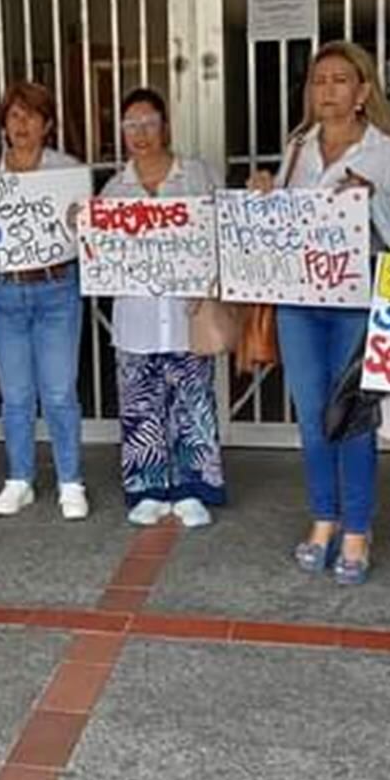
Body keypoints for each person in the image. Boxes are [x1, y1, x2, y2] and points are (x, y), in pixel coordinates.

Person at [252, 41, 390, 582]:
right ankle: (323, 516)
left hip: (357, 298)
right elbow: (287, 225)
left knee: (352, 417)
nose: (327, 90)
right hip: (300, 298)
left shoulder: (388, 153)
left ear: (364, 90)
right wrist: (266, 196)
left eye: (339, 80)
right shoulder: (298, 147)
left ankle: (357, 528)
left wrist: (373, 199)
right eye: (319, 81)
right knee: (311, 416)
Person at [102, 88, 224, 527]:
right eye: (131, 125)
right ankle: (148, 488)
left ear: (165, 126)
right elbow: (102, 252)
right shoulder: (114, 188)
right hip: (136, 316)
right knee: (141, 406)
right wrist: (84, 222)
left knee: (192, 403)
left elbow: (220, 234)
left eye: (149, 122)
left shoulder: (196, 176)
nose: (140, 133)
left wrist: (210, 282)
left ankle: (194, 488)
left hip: (187, 312)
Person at [0, 80, 86, 519]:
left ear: (48, 125)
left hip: (56, 287)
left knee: (60, 391)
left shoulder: (68, 170)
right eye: (14, 115)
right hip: (3, 290)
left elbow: (87, 237)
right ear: (4, 124)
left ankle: (70, 480)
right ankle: (19, 478)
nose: (21, 124)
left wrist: (85, 220)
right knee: (16, 393)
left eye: (31, 116)